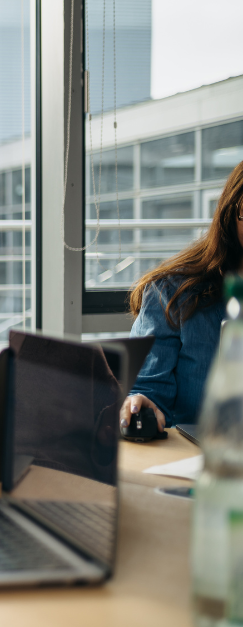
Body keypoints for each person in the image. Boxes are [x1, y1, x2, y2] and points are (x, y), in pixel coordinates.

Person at [122, 159, 243, 432]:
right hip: (205, 461)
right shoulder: (172, 294)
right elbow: (148, 392)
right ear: (230, 214)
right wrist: (142, 403)